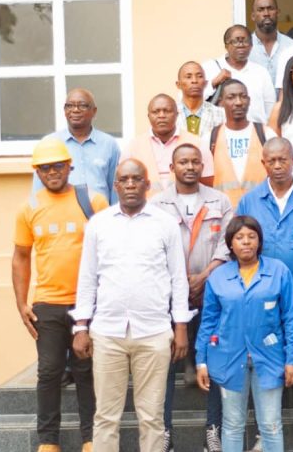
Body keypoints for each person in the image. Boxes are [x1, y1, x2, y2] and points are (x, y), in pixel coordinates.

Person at [72, 159, 193, 452]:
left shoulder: (164, 223)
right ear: (115, 185)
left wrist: (180, 327)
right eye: (124, 180)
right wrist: (81, 326)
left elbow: (178, 278)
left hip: (153, 332)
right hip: (107, 333)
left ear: (147, 184)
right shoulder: (99, 224)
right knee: (105, 416)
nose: (130, 185)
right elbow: (87, 277)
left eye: (136, 179)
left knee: (152, 416)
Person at [14, 139, 108, 452]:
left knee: (85, 371)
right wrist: (21, 302)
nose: (52, 172)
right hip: (47, 303)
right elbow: (21, 257)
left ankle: (91, 438)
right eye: (44, 168)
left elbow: (111, 251)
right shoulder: (29, 208)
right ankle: (48, 441)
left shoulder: (93, 201)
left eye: (58, 165)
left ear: (70, 166)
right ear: (37, 172)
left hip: (87, 304)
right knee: (49, 372)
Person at [236, 137, 293, 452]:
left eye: (283, 160)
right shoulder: (249, 202)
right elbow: (239, 249)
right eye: (271, 161)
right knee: (264, 370)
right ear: (263, 163)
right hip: (261, 304)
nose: (277, 166)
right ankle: (264, 432)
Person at [195, 215, 293, 452]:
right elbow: (208, 321)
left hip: (270, 358)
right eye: (239, 237)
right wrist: (201, 361)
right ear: (230, 244)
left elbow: (292, 318)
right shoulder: (218, 277)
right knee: (232, 425)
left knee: (271, 424)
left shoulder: (278, 271)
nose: (246, 242)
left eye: (251, 236)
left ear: (259, 241)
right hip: (228, 359)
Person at [151, 144, 233, 452]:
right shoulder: (157, 204)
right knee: (165, 366)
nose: (189, 167)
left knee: (214, 362)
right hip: (170, 298)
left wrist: (206, 275)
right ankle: (164, 431)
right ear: (172, 168)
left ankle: (213, 429)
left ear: (202, 166)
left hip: (211, 294)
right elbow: (152, 248)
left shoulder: (219, 201)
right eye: (183, 162)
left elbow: (228, 243)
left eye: (195, 162)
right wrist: (179, 283)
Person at [33, 88, 121, 204]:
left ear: (94, 111)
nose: (75, 110)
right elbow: (38, 191)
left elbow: (115, 189)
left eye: (82, 105)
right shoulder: (49, 143)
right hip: (62, 212)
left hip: (100, 213)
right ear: (65, 111)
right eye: (70, 106)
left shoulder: (109, 144)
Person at [121, 94, 213, 196]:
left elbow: (207, 186)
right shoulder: (133, 147)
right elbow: (123, 185)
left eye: (167, 111)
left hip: (186, 205)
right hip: (146, 205)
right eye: (156, 112)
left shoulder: (197, 144)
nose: (161, 115)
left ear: (177, 114)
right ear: (149, 116)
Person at [211, 79, 277, 207]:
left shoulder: (266, 134)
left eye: (243, 96)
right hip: (223, 212)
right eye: (231, 97)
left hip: (260, 211)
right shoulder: (211, 137)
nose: (238, 102)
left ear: (249, 100)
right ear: (221, 102)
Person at [203, 25, 276, 123]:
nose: (241, 45)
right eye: (235, 41)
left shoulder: (261, 72)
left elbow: (270, 108)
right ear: (226, 45)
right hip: (221, 129)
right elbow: (194, 100)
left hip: (255, 129)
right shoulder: (210, 67)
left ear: (251, 45)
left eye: (245, 41)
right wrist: (214, 83)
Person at [248, 0, 293, 85]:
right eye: (261, 10)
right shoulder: (244, 48)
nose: (266, 13)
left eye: (270, 9)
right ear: (253, 16)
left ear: (278, 13)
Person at [175, 61, 225, 137]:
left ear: (206, 83)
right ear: (178, 84)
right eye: (188, 77)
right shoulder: (171, 114)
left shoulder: (220, 114)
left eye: (199, 76)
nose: (194, 81)